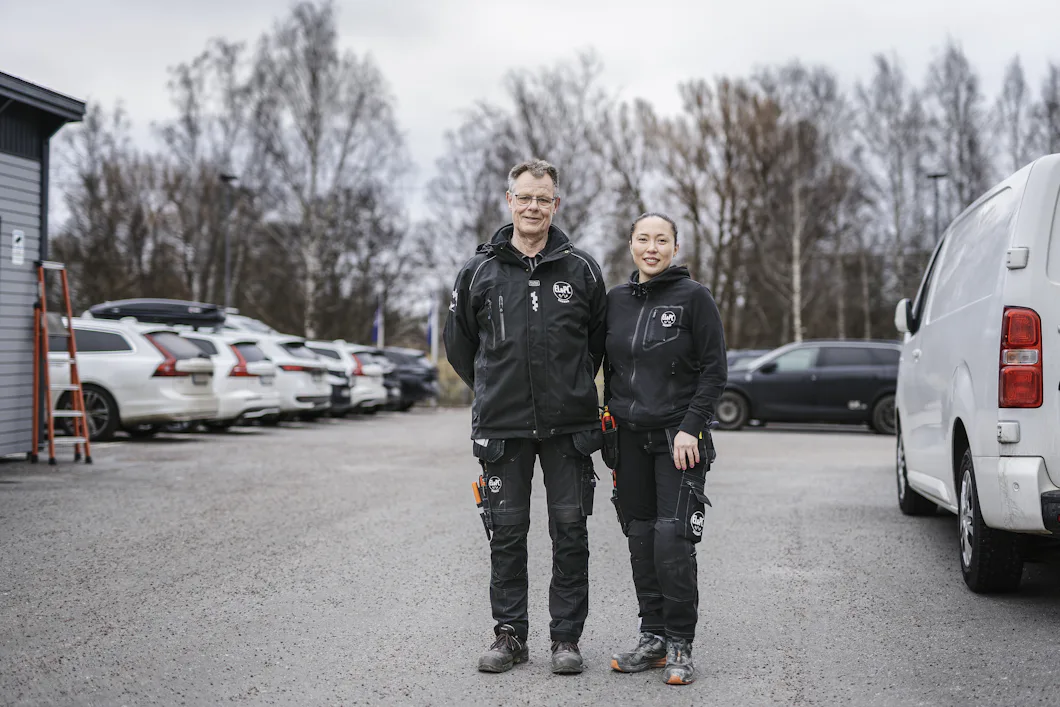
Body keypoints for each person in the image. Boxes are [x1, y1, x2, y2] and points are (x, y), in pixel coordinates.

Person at [444, 159, 607, 675]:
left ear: (555, 204)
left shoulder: (582, 270)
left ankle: (566, 640)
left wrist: (573, 387)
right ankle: (510, 635)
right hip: (503, 428)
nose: (533, 207)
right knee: (507, 535)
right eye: (525, 197)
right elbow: (460, 347)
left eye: (544, 199)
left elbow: (597, 345)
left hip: (569, 430)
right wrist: (494, 388)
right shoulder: (478, 271)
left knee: (570, 533)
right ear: (509, 200)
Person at [602, 212, 727, 686]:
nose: (651, 247)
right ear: (631, 244)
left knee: (673, 538)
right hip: (628, 440)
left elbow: (715, 371)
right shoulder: (615, 301)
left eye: (661, 240)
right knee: (640, 537)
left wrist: (691, 427)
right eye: (642, 239)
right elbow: (602, 365)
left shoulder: (695, 298)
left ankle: (680, 642)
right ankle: (652, 638)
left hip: (679, 440)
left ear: (675, 247)